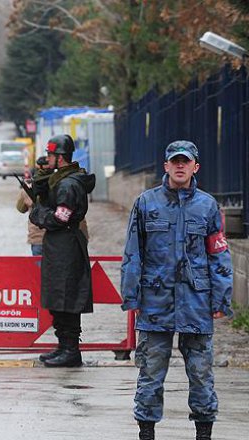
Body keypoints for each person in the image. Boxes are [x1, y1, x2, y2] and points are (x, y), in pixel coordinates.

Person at [121, 140, 232, 440]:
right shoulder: (146, 203)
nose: (180, 166)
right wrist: (131, 295)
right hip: (155, 301)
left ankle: (204, 432)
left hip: (196, 301)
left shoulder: (208, 206)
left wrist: (222, 297)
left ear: (195, 167)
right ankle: (146, 432)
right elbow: (133, 251)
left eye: (186, 161)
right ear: (166, 166)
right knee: (150, 372)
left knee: (200, 373)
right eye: (175, 161)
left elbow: (218, 254)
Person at [28, 134, 95, 367]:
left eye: (50, 155)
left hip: (66, 244)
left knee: (67, 296)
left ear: (60, 157)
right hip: (59, 245)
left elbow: (60, 217)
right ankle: (63, 346)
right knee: (58, 295)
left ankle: (71, 350)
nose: (47, 159)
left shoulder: (68, 185)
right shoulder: (62, 180)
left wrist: (38, 213)